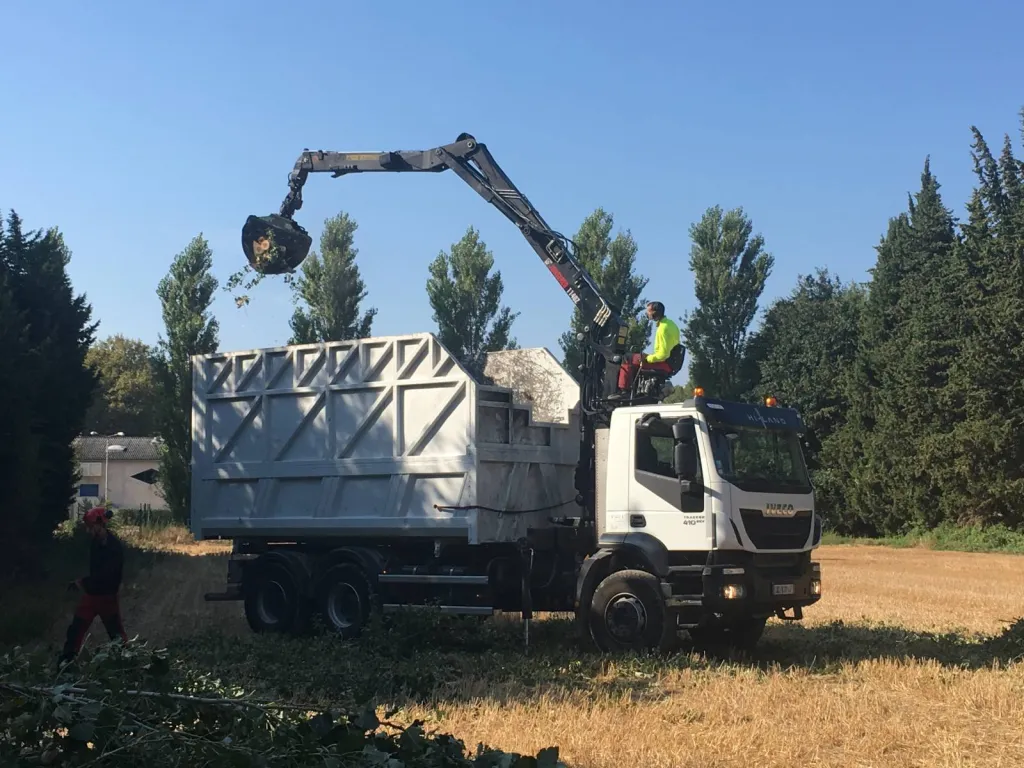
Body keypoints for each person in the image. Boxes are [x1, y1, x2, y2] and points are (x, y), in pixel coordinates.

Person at [59, 506, 128, 665]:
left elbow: (106, 576)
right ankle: (66, 664)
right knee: (75, 631)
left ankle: (127, 664)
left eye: (91, 527)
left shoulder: (114, 548)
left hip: (107, 598)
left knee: (117, 636)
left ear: (100, 524)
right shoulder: (95, 544)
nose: (89, 531)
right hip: (91, 596)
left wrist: (82, 582)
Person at [614, 301, 680, 397]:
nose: (646, 313)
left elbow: (663, 355)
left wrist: (647, 358)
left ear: (654, 313)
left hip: (663, 363)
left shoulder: (662, 329)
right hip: (669, 363)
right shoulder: (671, 323)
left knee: (627, 358)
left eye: (648, 311)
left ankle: (623, 391)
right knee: (636, 357)